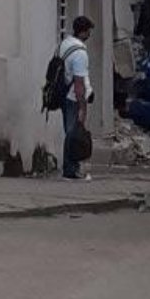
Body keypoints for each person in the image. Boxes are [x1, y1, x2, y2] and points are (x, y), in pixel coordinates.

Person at [58, 16, 95, 180]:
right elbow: (79, 83)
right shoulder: (80, 53)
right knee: (73, 133)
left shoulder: (65, 43)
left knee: (69, 131)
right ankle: (70, 169)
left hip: (61, 93)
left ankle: (70, 168)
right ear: (83, 31)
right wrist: (82, 106)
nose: (89, 34)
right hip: (72, 96)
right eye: (88, 31)